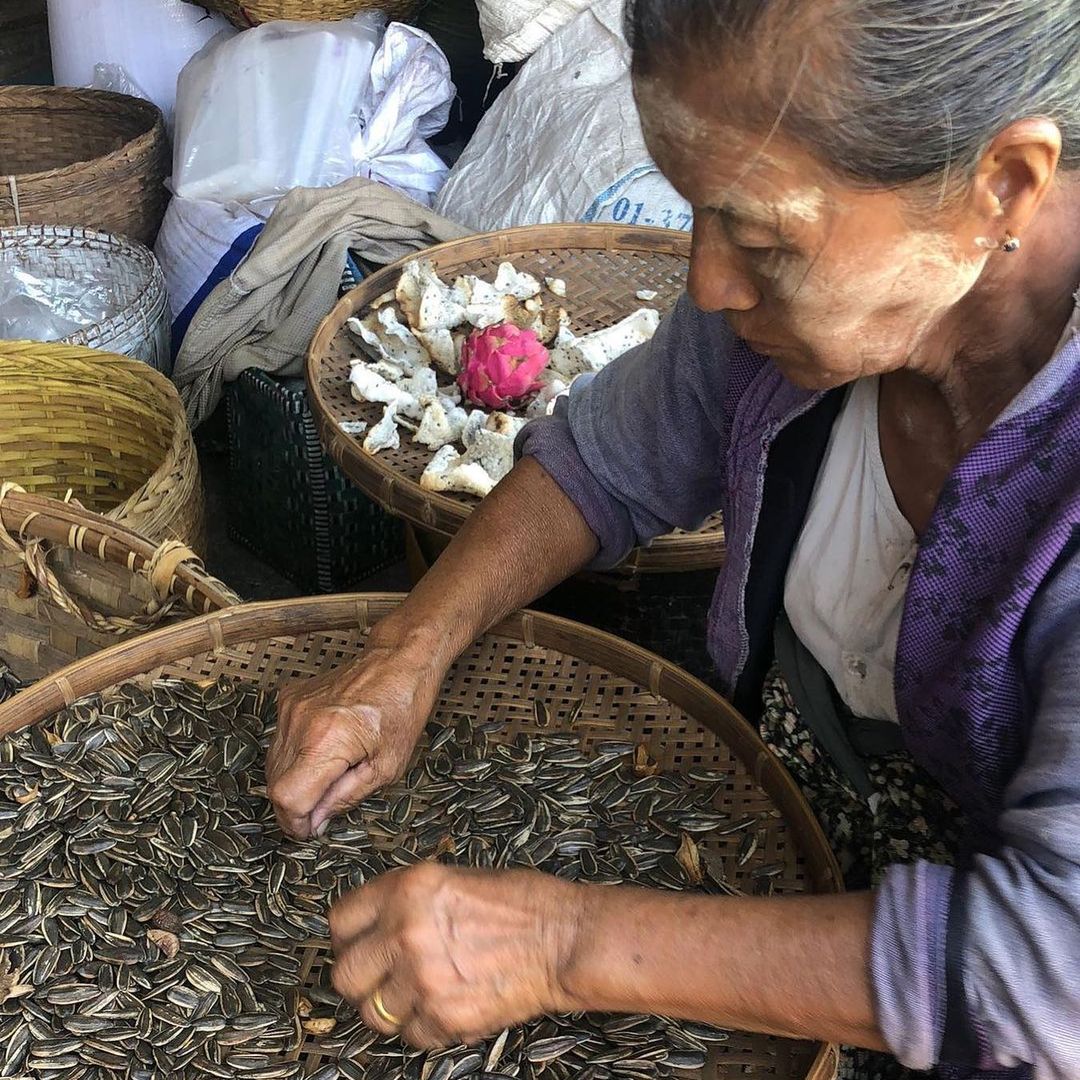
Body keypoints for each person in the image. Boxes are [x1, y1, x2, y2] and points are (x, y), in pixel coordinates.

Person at [266, 2, 1080, 1077]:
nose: (707, 282)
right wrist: (406, 655)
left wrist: (564, 945)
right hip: (803, 851)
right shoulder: (784, 320)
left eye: (759, 237)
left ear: (1004, 185)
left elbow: (1047, 967)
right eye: (701, 212)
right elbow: (605, 463)